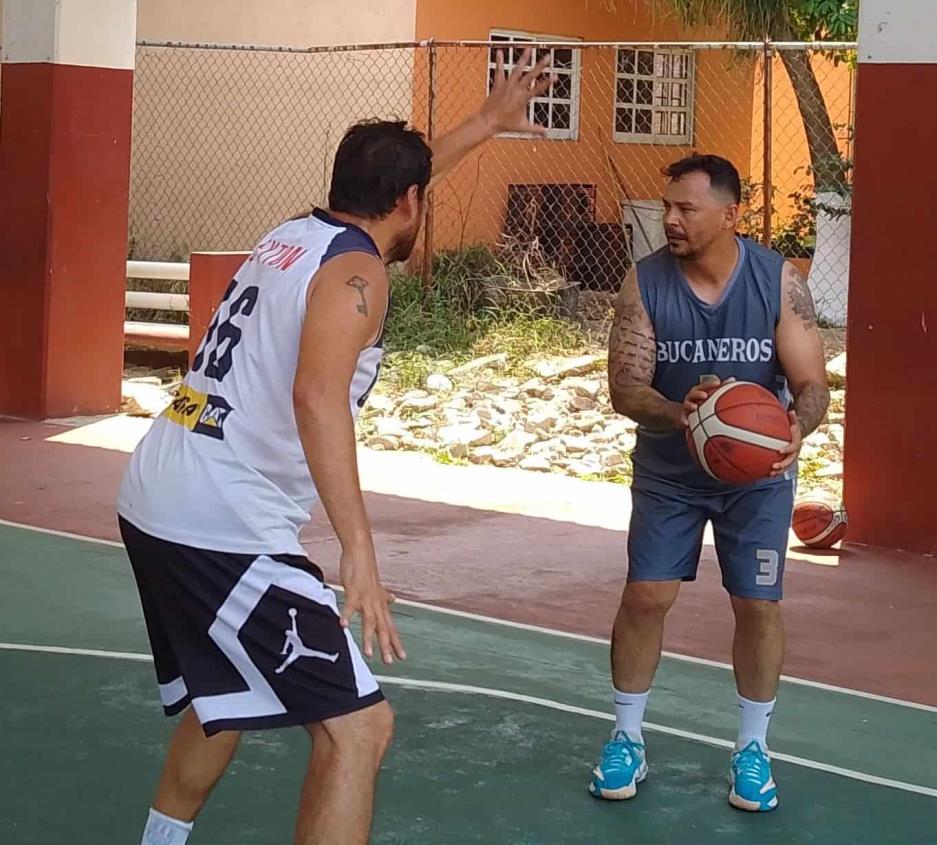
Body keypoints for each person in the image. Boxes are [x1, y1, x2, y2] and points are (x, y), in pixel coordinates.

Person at [117, 51, 553, 845]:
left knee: (229, 696)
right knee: (359, 727)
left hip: (160, 485)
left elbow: (403, 192)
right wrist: (360, 549)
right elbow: (317, 397)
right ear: (410, 202)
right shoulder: (358, 273)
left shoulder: (291, 235)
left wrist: (485, 125)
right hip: (223, 521)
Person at [589, 154, 829, 811]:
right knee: (646, 594)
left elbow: (811, 386)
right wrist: (682, 414)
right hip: (669, 470)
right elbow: (624, 388)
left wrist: (791, 431)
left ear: (730, 213)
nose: (669, 218)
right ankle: (626, 736)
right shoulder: (644, 283)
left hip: (756, 478)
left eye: (685, 208)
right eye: (666, 206)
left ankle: (752, 748)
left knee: (756, 604)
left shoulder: (778, 281)